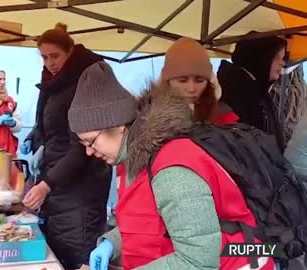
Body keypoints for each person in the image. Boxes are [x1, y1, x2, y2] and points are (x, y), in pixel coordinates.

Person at [67, 62, 274, 270]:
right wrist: (111, 243)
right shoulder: (130, 160)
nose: (88, 151)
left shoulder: (172, 169)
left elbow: (198, 260)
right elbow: (148, 222)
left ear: (119, 126)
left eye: (91, 141)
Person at [20, 23, 112, 269]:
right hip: (59, 186)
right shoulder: (54, 82)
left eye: (55, 56)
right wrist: (35, 139)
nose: (50, 62)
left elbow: (80, 147)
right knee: (58, 253)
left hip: (80, 190)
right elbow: (50, 124)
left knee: (77, 255)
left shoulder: (86, 83)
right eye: (44, 57)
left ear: (71, 50)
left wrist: (47, 184)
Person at [217, 34, 287, 151]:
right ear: (261, 58)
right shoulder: (236, 94)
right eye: (277, 58)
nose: (283, 63)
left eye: (283, 58)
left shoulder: (255, 90)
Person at [160, 37, 237, 125]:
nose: (191, 88)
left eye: (199, 80)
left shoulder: (223, 117)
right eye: (182, 81)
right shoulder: (149, 120)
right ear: (167, 81)